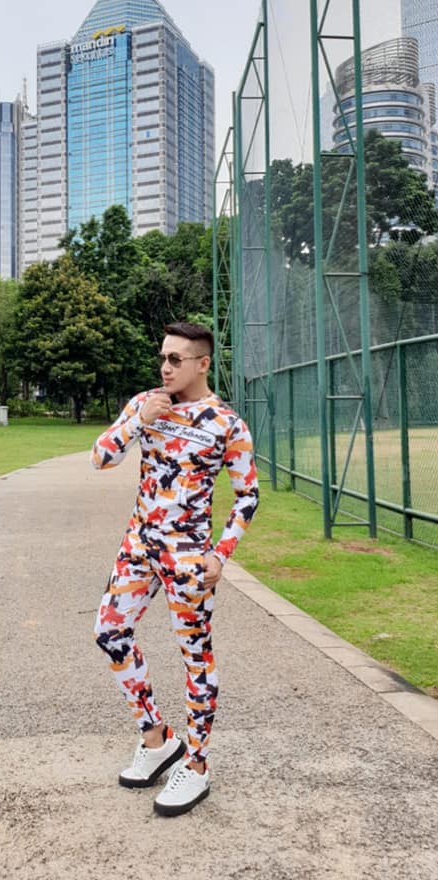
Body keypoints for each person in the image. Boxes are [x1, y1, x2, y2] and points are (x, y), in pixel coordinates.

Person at [92, 321, 259, 817]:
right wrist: (138, 422)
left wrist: (220, 553)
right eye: (163, 357)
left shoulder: (226, 424)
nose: (165, 368)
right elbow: (101, 458)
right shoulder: (146, 405)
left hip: (188, 558)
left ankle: (197, 764)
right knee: (109, 633)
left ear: (202, 364)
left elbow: (247, 495)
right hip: (138, 546)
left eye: (176, 359)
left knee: (194, 657)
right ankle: (157, 738)